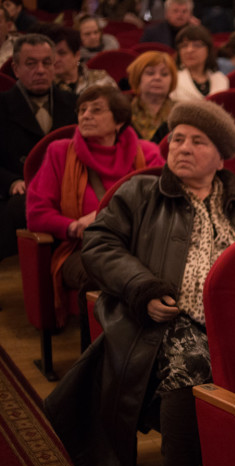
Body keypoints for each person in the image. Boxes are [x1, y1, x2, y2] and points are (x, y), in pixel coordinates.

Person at [44, 100, 235, 466]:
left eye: (197, 141)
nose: (182, 147)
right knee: (194, 365)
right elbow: (99, 246)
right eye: (178, 138)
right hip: (160, 320)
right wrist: (142, 289)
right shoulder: (141, 194)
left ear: (220, 156)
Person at [26, 85, 163, 323]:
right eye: (82, 110)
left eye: (96, 110)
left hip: (139, 246)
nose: (86, 115)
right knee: (107, 273)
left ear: (119, 121)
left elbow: (163, 206)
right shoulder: (59, 152)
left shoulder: (148, 153)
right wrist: (73, 226)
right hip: (82, 250)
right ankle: (105, 341)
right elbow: (37, 214)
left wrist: (102, 217)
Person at [0, 34, 78, 260]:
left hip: (67, 187)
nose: (41, 70)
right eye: (31, 64)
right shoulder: (2, 105)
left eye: (46, 62)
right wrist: (11, 182)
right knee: (21, 207)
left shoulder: (75, 104)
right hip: (15, 192)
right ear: (16, 68)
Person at [37, 24, 115, 96]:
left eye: (62, 53)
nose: (55, 59)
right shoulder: (44, 84)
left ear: (77, 55)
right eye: (52, 54)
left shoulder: (100, 79)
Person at [127, 51, 178, 143]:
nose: (157, 78)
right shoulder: (123, 111)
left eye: (164, 74)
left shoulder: (180, 112)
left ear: (172, 80)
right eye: (150, 73)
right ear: (138, 78)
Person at [170, 25, 229, 102]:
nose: (189, 50)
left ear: (208, 50)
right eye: (184, 46)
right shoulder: (172, 79)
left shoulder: (221, 79)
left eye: (197, 45)